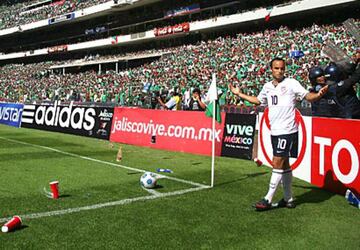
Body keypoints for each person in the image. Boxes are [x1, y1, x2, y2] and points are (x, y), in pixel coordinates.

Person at [229, 57, 328, 211]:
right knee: (285, 163)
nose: (280, 71)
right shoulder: (267, 86)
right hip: (275, 130)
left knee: (277, 162)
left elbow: (307, 96)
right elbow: (258, 100)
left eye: (282, 68)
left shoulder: (291, 83)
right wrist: (239, 94)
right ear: (271, 69)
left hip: (287, 130)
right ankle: (289, 198)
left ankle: (268, 199)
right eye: (276, 68)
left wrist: (318, 95)